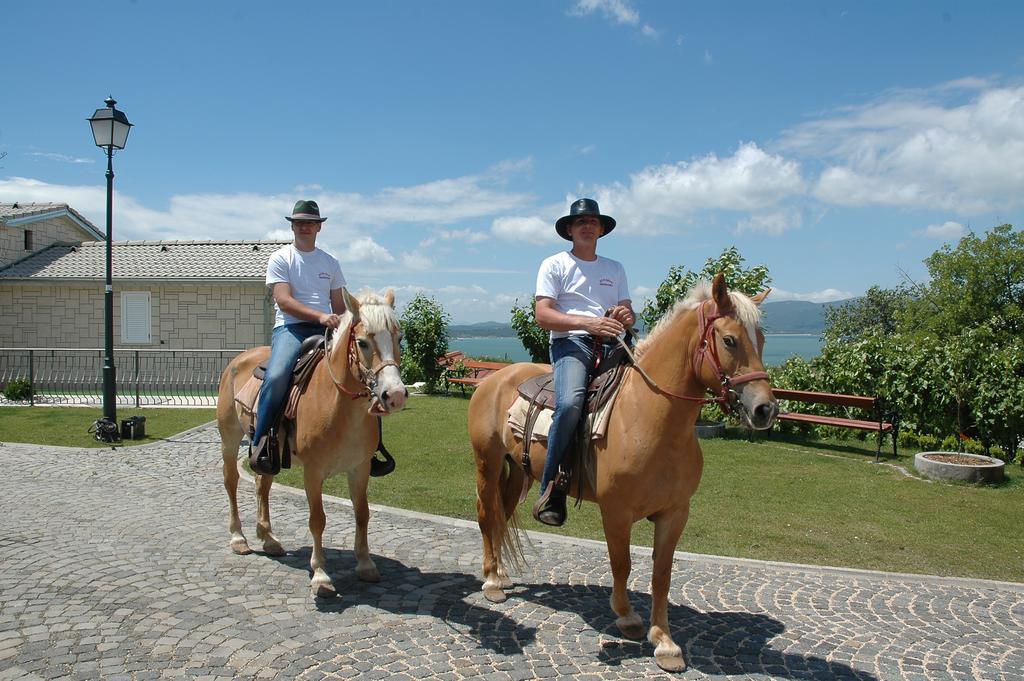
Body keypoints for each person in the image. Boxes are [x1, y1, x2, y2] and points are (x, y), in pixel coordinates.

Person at [532, 198, 634, 526]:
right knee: (572, 403)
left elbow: (628, 311)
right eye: (581, 222)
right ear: (570, 230)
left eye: (593, 221)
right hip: (571, 344)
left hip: (614, 343)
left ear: (601, 229)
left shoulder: (615, 268)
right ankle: (551, 488)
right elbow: (543, 315)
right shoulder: (554, 264)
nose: (587, 226)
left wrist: (624, 315)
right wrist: (589, 324)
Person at [249, 200, 346, 475]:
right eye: (299, 222)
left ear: (319, 227)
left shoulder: (331, 262)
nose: (305, 227)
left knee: (361, 371)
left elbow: (338, 305)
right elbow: (284, 300)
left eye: (310, 222)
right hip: (291, 328)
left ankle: (373, 446)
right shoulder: (281, 258)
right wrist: (320, 317)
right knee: (278, 375)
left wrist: (347, 323)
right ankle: (262, 444)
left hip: (326, 329)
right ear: (292, 226)